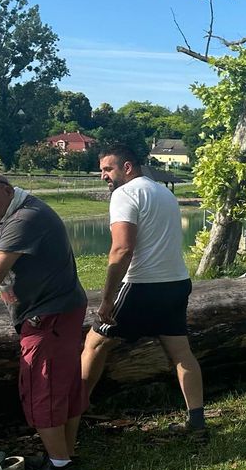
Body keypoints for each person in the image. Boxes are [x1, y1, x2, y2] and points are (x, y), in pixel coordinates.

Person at [0, 172, 88, 470]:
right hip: (57, 310)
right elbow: (9, 277)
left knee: (43, 388)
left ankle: (61, 468)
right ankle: (63, 454)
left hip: (49, 316)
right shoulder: (20, 211)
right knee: (62, 385)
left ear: (8, 192)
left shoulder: (26, 218)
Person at [82, 144, 207, 439]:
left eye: (108, 169)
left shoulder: (125, 194)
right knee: (181, 353)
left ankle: (73, 413)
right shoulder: (164, 192)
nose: (103, 176)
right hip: (176, 283)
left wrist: (107, 299)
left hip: (141, 285)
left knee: (94, 344)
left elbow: (122, 249)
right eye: (101, 170)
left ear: (128, 167)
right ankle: (197, 424)